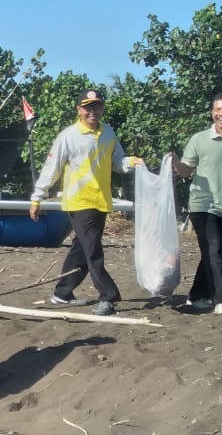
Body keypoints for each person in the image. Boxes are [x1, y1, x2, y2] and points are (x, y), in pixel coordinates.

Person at [29, 89, 143, 316]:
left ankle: (62, 293)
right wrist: (37, 197)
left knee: (81, 249)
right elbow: (52, 168)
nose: (93, 111)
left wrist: (132, 162)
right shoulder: (68, 136)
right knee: (93, 251)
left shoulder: (108, 132)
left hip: (101, 201)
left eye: (96, 106)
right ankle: (108, 295)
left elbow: (117, 162)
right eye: (87, 107)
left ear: (102, 108)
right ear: (79, 110)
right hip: (79, 201)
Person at [170, 91, 222, 315]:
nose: (221, 113)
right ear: (212, 113)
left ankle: (197, 296)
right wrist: (176, 164)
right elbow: (186, 169)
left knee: (213, 253)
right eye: (217, 109)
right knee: (214, 251)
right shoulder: (199, 139)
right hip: (203, 206)